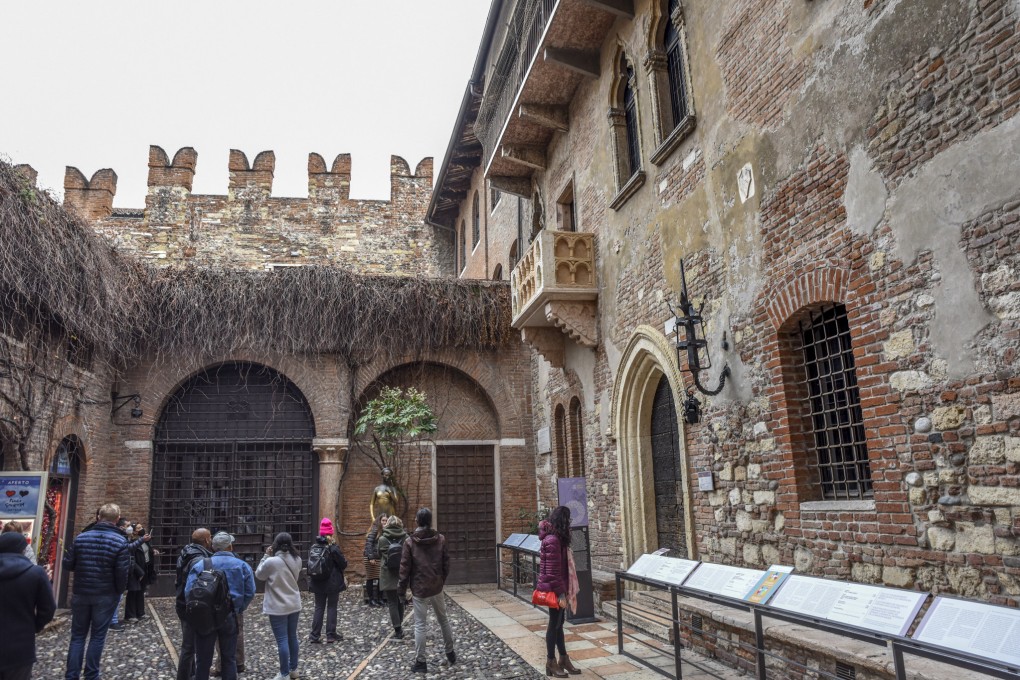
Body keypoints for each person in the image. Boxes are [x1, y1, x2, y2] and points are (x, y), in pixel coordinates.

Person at [63, 502, 136, 680]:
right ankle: (91, 675)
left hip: (81, 592)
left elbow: (67, 564)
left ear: (98, 517)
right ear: (117, 519)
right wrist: (118, 591)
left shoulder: (81, 538)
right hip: (105, 594)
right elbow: (122, 573)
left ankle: (71, 676)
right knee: (97, 636)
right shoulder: (120, 541)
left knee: (78, 636)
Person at [185, 531, 254, 680]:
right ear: (230, 546)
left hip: (205, 616)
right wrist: (239, 608)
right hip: (230, 614)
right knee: (229, 659)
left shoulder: (201, 564)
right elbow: (250, 591)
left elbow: (188, 591)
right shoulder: (242, 565)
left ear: (214, 547)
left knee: (203, 661)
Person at [398, 507, 455, 675]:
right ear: (430, 521)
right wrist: (441, 580)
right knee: (443, 620)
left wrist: (401, 591)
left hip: (419, 588)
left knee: (420, 625)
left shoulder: (409, 542)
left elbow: (404, 569)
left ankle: (421, 662)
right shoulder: (441, 539)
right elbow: (447, 563)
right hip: (436, 586)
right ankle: (450, 653)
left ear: (417, 521)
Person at [0, 531, 56, 680]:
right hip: (20, 644)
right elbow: (48, 608)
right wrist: (34, 626)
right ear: (23, 549)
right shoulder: (36, 573)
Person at [537, 506, 581, 677]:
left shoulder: (556, 539)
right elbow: (553, 572)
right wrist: (561, 594)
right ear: (563, 521)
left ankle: (563, 659)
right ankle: (550, 661)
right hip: (555, 588)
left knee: (559, 624)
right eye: (568, 520)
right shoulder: (553, 541)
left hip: (559, 586)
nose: (569, 524)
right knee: (553, 625)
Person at [255, 533, 303, 680]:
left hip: (277, 606)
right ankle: (293, 669)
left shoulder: (272, 562)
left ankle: (284, 673)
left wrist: (265, 556)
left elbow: (259, 575)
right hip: (294, 603)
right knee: (292, 637)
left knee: (282, 640)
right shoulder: (297, 559)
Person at [175, 528, 212, 680]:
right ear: (206, 541)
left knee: (188, 645)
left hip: (182, 602)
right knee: (189, 647)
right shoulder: (199, 560)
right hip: (191, 605)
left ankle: (190, 672)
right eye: (210, 537)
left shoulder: (186, 552)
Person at [307, 518, 347, 644]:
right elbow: (343, 564)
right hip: (332, 583)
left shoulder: (314, 547)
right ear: (331, 533)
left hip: (317, 581)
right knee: (331, 607)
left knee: (319, 607)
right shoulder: (332, 548)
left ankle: (314, 635)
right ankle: (330, 635)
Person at [376, 515, 408, 639]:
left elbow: (379, 554)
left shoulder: (383, 538)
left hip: (387, 573)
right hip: (402, 572)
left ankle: (398, 629)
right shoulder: (406, 538)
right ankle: (399, 625)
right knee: (401, 599)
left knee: (392, 602)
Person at [124, 523, 157, 623]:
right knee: (133, 591)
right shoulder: (132, 542)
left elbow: (146, 551)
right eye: (139, 528)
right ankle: (130, 615)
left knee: (140, 591)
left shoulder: (145, 541)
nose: (142, 529)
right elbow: (131, 558)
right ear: (134, 531)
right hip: (136, 571)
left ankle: (140, 613)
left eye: (142, 527)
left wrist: (153, 551)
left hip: (145, 569)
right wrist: (139, 572)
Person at [363, 514, 385, 607]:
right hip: (370, 558)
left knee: (381, 578)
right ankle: (371, 599)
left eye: (386, 520)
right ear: (379, 521)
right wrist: (371, 557)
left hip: (379, 558)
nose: (385, 522)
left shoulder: (385, 531)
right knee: (370, 578)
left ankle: (379, 599)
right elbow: (368, 544)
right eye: (383, 520)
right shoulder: (375, 530)